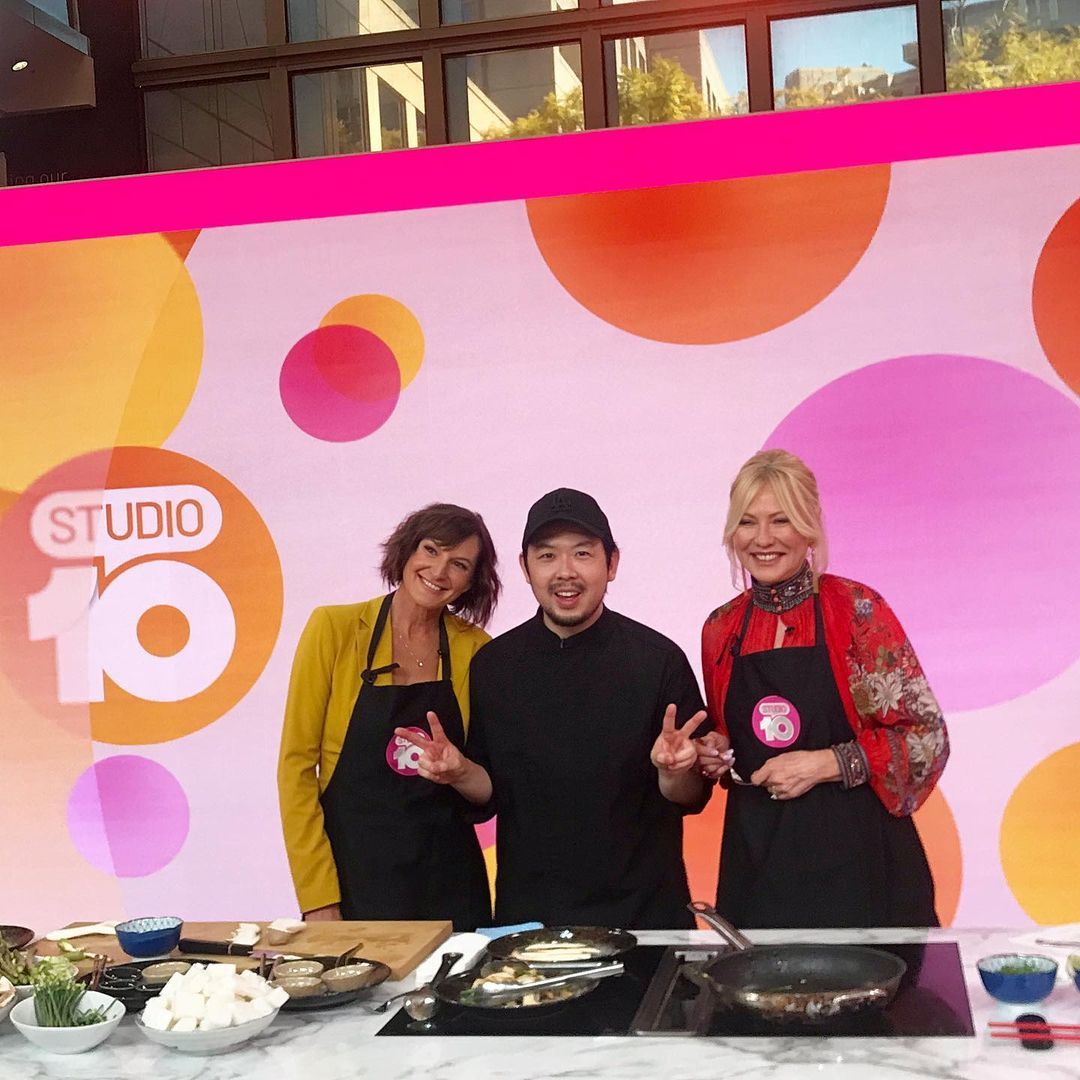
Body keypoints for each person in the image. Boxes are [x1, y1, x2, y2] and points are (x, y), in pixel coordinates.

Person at [397, 488, 712, 929]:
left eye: (582, 553)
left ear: (612, 564)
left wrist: (675, 770)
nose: (565, 572)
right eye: (547, 556)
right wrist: (459, 771)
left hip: (645, 918)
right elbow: (489, 794)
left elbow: (690, 797)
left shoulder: (658, 659)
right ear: (525, 568)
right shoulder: (494, 666)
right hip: (530, 922)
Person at [697, 449, 949, 929]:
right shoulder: (720, 629)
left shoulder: (858, 611)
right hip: (759, 865)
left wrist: (825, 763)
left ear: (809, 526)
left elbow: (926, 739)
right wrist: (715, 751)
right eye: (748, 522)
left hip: (863, 863)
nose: (763, 539)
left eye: (781, 520)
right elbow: (733, 738)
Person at [277, 503, 500, 928]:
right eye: (431, 550)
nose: (439, 571)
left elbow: (488, 787)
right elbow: (296, 769)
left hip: (450, 883)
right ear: (406, 550)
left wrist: (458, 770)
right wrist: (318, 899)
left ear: (471, 582)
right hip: (354, 881)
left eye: (459, 564)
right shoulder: (334, 629)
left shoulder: (478, 650)